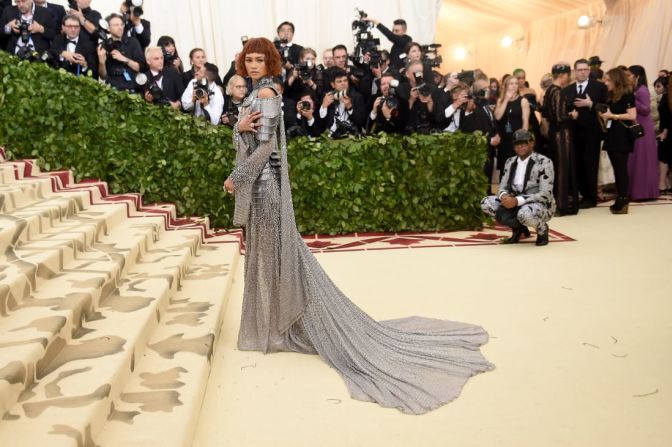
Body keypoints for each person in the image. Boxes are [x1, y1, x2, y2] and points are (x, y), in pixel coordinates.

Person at [222, 36, 493, 415]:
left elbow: (265, 148)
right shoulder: (257, 94)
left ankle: (278, 328)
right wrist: (239, 129)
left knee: (274, 256)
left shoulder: (266, 94)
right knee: (272, 256)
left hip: (265, 188)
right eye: (248, 59)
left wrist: (238, 174)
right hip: (263, 187)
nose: (252, 65)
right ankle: (277, 325)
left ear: (270, 63)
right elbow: (251, 136)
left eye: (259, 60)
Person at [481, 129, 555, 246]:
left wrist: (517, 201)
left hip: (540, 204)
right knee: (486, 203)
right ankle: (518, 228)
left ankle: (542, 228)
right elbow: (502, 187)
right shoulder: (510, 162)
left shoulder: (544, 162)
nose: (519, 147)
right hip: (514, 201)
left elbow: (545, 194)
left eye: (523, 144)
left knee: (523, 214)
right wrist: (504, 196)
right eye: (516, 144)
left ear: (531, 143)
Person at [564, 58, 608, 208]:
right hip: (574, 133)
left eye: (585, 69)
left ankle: (591, 197)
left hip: (592, 133)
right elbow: (564, 109)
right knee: (578, 165)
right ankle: (582, 195)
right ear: (574, 71)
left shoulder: (599, 87)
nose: (582, 72)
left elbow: (605, 108)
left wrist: (591, 104)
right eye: (579, 69)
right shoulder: (567, 89)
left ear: (589, 70)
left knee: (591, 164)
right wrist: (570, 113)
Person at [599, 68, 637, 214]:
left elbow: (632, 115)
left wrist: (612, 116)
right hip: (613, 134)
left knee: (621, 169)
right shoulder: (611, 95)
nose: (605, 82)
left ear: (616, 80)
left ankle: (623, 199)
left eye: (608, 80)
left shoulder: (627, 94)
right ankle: (620, 197)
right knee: (616, 168)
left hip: (622, 135)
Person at [542, 63, 577, 216]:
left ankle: (557, 202)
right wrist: (572, 115)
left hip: (553, 133)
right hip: (561, 135)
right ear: (563, 75)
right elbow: (559, 116)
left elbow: (546, 114)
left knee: (556, 167)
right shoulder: (558, 92)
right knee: (563, 168)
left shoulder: (549, 90)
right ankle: (562, 205)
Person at [626, 65, 660, 201]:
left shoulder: (642, 90)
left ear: (637, 76)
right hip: (637, 126)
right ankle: (636, 191)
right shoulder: (635, 90)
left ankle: (644, 192)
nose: (627, 78)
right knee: (635, 159)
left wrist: (632, 99)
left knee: (642, 160)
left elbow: (646, 109)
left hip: (643, 129)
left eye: (629, 75)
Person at [96, 13, 144, 92]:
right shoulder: (103, 45)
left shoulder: (133, 42)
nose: (120, 27)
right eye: (116, 25)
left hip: (133, 88)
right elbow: (103, 76)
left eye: (121, 25)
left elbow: (140, 68)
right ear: (108, 28)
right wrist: (101, 62)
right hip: (113, 89)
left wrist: (124, 59)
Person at [494, 75, 530, 180]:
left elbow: (525, 121)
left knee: (517, 168)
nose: (514, 86)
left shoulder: (523, 100)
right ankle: (503, 193)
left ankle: (516, 194)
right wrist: (506, 100)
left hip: (517, 139)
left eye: (516, 84)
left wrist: (523, 140)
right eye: (511, 83)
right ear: (506, 86)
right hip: (504, 139)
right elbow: (497, 116)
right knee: (504, 168)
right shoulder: (500, 100)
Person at [654, 76, 671, 192]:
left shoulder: (666, 97)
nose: (655, 89)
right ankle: (665, 184)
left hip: (667, 131)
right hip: (666, 130)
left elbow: (668, 117)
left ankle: (662, 184)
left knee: (663, 156)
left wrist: (665, 131)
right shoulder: (666, 97)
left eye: (658, 86)